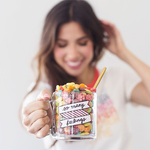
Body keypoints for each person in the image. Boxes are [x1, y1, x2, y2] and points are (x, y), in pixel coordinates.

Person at [21, 0, 150, 150]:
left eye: (82, 42)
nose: (73, 54)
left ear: (94, 41)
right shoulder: (47, 90)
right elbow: (29, 108)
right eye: (62, 44)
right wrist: (37, 116)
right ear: (50, 45)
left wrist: (122, 51)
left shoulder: (118, 78)